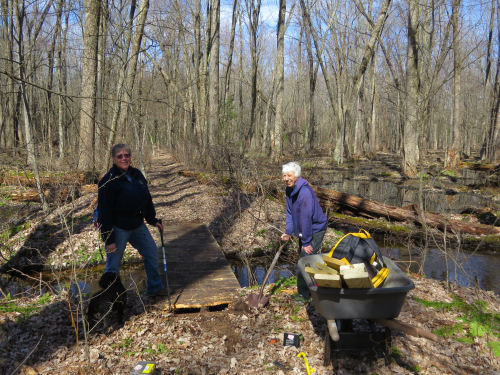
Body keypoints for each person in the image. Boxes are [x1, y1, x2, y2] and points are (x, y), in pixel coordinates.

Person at [97, 144, 165, 296]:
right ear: (113, 158)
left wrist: (152, 220)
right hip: (118, 227)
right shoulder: (108, 181)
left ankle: (155, 289)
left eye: (126, 155)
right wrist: (109, 238)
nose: (124, 158)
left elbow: (146, 199)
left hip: (137, 224)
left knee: (152, 253)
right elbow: (104, 212)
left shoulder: (137, 175)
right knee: (113, 266)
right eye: (120, 156)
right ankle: (113, 298)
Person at [280, 161, 328, 301]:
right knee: (306, 259)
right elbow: (290, 213)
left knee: (304, 261)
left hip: (315, 228)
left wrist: (306, 242)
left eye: (289, 175)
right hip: (304, 229)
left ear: (296, 176)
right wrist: (288, 232)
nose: (286, 179)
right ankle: (315, 286)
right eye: (284, 176)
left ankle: (304, 295)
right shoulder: (289, 190)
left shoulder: (304, 192)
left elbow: (306, 218)